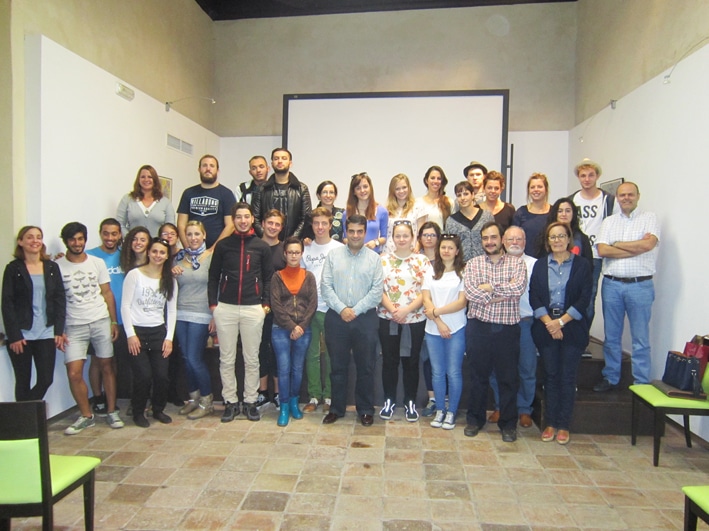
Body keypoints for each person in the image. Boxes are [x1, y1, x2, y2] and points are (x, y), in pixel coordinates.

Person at [208, 202, 274, 422]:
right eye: (238, 217)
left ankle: (250, 401)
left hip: (252, 308)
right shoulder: (224, 245)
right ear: (234, 219)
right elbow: (213, 276)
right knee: (226, 358)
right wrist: (213, 305)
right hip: (225, 308)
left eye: (246, 217)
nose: (243, 221)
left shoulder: (261, 246)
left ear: (252, 219)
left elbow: (267, 278)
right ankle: (230, 402)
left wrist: (265, 305)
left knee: (251, 358)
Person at [56, 222, 123, 434]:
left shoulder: (96, 262)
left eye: (80, 239)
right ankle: (86, 415)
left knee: (107, 366)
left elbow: (107, 293)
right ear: (66, 241)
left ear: (85, 239)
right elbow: (55, 300)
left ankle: (112, 411)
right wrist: (58, 329)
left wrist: (113, 321)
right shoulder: (57, 267)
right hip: (73, 325)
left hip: (100, 320)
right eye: (72, 239)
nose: (77, 243)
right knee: (74, 372)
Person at [463, 222, 527, 442]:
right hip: (478, 327)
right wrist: (501, 290)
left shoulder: (517, 264)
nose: (489, 242)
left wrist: (489, 287)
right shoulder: (473, 264)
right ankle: (475, 420)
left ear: (501, 239)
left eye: (493, 237)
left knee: (508, 378)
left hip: (506, 329)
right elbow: (471, 293)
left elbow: (517, 289)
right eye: (485, 238)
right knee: (477, 377)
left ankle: (508, 425)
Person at [593, 182, 660, 391]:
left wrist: (618, 243)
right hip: (612, 284)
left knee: (640, 337)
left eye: (630, 194)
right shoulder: (609, 222)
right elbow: (603, 250)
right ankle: (611, 377)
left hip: (640, 286)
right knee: (611, 336)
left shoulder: (649, 218)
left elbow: (648, 245)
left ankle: (641, 382)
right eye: (622, 195)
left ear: (638, 196)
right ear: (618, 197)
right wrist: (634, 247)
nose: (626, 198)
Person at [530, 222, 592, 445]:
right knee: (550, 376)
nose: (557, 241)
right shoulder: (539, 265)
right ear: (548, 241)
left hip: (572, 327)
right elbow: (534, 296)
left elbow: (585, 298)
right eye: (552, 237)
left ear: (569, 239)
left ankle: (564, 425)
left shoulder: (582, 265)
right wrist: (550, 323)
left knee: (567, 377)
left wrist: (561, 323)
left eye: (561, 236)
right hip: (546, 327)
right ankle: (550, 423)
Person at [321, 214, 384, 426]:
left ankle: (365, 409)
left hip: (364, 319)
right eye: (352, 231)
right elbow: (325, 287)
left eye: (360, 231)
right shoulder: (333, 256)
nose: (356, 235)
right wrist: (342, 309)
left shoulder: (374, 259)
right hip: (336, 318)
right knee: (337, 367)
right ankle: (337, 409)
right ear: (346, 232)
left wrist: (354, 310)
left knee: (365, 367)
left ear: (365, 232)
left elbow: (376, 293)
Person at [2, 226, 65, 401]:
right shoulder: (13, 269)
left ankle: (25, 414)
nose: (35, 241)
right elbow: (7, 303)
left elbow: (60, 300)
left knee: (46, 379)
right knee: (23, 381)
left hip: (46, 332)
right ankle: (25, 423)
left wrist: (59, 331)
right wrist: (14, 335)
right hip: (22, 334)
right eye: (29, 237)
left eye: (38, 237)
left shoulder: (52, 267)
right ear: (20, 242)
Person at [121, 238, 177, 427]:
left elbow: (172, 310)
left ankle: (158, 409)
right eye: (154, 251)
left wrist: (169, 338)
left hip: (158, 333)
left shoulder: (170, 279)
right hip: (137, 332)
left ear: (167, 255)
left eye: (162, 252)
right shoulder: (134, 275)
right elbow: (125, 306)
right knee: (143, 376)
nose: (158, 255)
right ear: (148, 253)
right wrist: (130, 334)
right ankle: (138, 412)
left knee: (162, 376)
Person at [378, 220, 430, 422]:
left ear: (412, 238)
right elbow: (379, 289)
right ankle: (389, 400)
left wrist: (407, 310)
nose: (401, 239)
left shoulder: (422, 261)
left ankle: (410, 401)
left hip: (415, 319)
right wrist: (393, 310)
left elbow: (425, 291)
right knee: (389, 361)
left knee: (411, 361)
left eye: (405, 236)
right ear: (392, 238)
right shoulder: (383, 260)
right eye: (397, 236)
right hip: (387, 318)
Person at [487, 226, 538, 428]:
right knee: (497, 369)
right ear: (502, 242)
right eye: (510, 239)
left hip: (524, 321)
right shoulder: (494, 264)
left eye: (519, 239)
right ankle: (501, 406)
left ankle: (525, 409)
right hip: (499, 322)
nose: (514, 242)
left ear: (525, 242)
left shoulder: (534, 264)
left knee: (526, 368)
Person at [271, 237, 317, 426]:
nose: (293, 255)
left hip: (304, 329)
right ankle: (283, 407)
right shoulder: (277, 276)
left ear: (301, 254)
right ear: (284, 254)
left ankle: (294, 403)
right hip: (280, 329)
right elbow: (276, 304)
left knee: (298, 369)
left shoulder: (309, 276)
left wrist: (301, 327)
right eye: (290, 252)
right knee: (283, 369)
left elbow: (312, 304)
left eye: (297, 252)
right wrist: (292, 326)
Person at [422, 234, 467, 430]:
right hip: (433, 329)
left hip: (456, 327)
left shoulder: (463, 272)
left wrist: (436, 312)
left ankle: (452, 411)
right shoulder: (430, 271)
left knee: (453, 372)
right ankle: (440, 409)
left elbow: (461, 302)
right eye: (443, 247)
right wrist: (438, 321)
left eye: (450, 248)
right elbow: (426, 299)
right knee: (437, 372)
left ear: (457, 251)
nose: (446, 251)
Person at [301, 207, 343, 413]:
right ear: (312, 225)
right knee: (312, 354)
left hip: (332, 309)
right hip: (310, 310)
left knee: (332, 355)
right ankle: (314, 396)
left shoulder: (339, 248)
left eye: (323, 223)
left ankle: (329, 397)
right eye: (316, 223)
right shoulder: (306, 249)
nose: (319, 227)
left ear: (330, 224)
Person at [86, 219, 129, 415]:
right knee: (97, 360)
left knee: (114, 362)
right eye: (106, 233)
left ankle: (111, 395)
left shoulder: (125, 256)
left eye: (114, 233)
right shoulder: (91, 256)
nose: (110, 238)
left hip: (123, 318)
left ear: (120, 234)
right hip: (100, 317)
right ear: (100, 233)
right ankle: (98, 397)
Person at [173, 221, 215, 420]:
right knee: (185, 358)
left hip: (201, 313)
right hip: (180, 313)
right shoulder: (178, 259)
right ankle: (193, 399)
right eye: (189, 234)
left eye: (197, 233)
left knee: (194, 358)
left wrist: (215, 315)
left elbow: (216, 287)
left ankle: (207, 401)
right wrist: (170, 273)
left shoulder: (211, 258)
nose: (193, 238)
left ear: (204, 235)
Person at [569, 159, 617, 330]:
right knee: (569, 296)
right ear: (579, 178)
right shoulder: (572, 200)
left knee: (589, 298)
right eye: (583, 176)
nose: (587, 179)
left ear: (597, 176)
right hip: (574, 255)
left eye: (591, 175)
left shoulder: (608, 201)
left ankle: (584, 338)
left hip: (595, 257)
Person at [256, 209, 286, 411]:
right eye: (270, 223)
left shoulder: (284, 250)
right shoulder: (254, 246)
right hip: (256, 307)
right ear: (263, 224)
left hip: (279, 309)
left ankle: (276, 393)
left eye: (277, 224)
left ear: (281, 227)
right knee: (260, 350)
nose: (273, 227)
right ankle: (261, 393)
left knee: (277, 351)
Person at [177, 154, 237, 250]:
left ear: (217, 170)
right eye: (204, 165)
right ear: (199, 169)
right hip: (192, 250)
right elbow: (181, 224)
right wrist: (188, 248)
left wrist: (212, 250)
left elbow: (230, 225)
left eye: (212, 166)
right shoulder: (188, 193)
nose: (208, 169)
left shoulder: (226, 194)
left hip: (217, 251)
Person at [252, 148, 312, 239]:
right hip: (267, 244)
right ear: (272, 164)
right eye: (276, 159)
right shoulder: (262, 189)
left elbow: (305, 219)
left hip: (293, 247)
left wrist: (292, 240)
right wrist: (268, 236)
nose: (280, 161)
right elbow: (255, 218)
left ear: (290, 163)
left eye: (284, 158)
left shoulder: (301, 189)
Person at [417, 221, 442, 417]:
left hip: (445, 315)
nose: (428, 238)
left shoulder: (447, 259)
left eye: (432, 235)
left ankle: (446, 399)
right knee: (427, 359)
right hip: (422, 316)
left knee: (445, 361)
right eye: (425, 235)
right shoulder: (415, 260)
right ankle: (433, 398)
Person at [116, 164, 175, 237]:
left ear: (155, 180)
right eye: (143, 177)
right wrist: (130, 239)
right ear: (138, 179)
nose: (146, 180)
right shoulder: (127, 199)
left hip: (157, 246)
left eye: (150, 177)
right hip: (134, 245)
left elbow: (170, 227)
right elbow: (119, 224)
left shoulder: (165, 202)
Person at [445, 181, 494, 262]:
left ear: (473, 195)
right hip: (462, 266)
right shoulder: (451, 221)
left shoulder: (486, 216)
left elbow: (493, 240)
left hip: (485, 264)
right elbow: (449, 245)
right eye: (459, 195)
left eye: (466, 194)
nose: (463, 198)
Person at [536, 198, 593, 266]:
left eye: (568, 211)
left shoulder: (582, 238)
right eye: (560, 211)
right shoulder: (545, 235)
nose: (564, 214)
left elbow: (588, 265)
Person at [343, 172, 388, 254]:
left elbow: (384, 237)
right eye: (358, 188)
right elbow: (345, 238)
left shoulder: (382, 211)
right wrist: (357, 245)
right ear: (354, 192)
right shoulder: (347, 213)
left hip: (374, 255)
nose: (362, 190)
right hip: (354, 255)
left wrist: (375, 242)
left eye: (365, 187)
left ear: (370, 188)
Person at [383, 174, 426, 255]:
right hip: (389, 253)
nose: (401, 191)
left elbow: (421, 233)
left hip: (411, 252)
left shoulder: (418, 206)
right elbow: (384, 233)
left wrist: (417, 248)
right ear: (393, 191)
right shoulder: (386, 210)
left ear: (409, 188)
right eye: (397, 189)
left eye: (404, 187)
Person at [513, 173, 551, 258]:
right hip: (526, 262)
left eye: (539, 187)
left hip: (549, 261)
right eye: (532, 187)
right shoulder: (520, 213)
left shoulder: (554, 212)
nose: (536, 190)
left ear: (546, 189)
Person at [415, 166, 451, 232]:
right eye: (432, 178)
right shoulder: (417, 203)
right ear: (426, 180)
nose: (436, 181)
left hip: (443, 241)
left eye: (439, 178)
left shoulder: (449, 202)